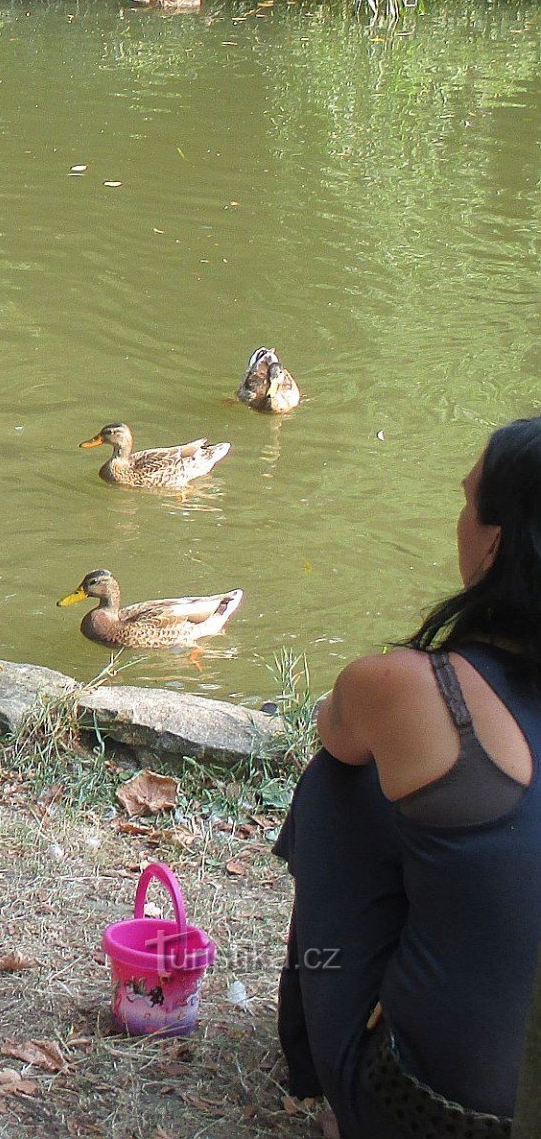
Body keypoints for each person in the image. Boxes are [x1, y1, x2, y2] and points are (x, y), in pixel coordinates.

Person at [279, 417, 541, 1137]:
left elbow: (334, 728)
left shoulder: (418, 690)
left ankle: (334, 1083)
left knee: (340, 785)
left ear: (497, 542)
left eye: (468, 499)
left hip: (440, 1118)